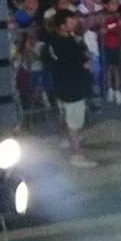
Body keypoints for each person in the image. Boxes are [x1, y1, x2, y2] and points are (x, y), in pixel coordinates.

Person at [42, 12, 97, 168]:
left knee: (66, 116)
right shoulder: (65, 44)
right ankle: (76, 154)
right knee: (75, 123)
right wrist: (84, 58)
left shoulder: (53, 40)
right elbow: (84, 62)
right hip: (73, 88)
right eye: (71, 20)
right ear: (62, 25)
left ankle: (67, 140)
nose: (74, 22)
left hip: (61, 85)